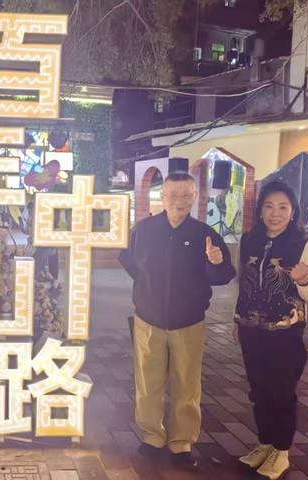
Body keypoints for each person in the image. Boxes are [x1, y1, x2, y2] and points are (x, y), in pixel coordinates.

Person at [118, 171, 236, 467]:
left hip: (189, 322)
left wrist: (216, 262)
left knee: (187, 384)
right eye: (172, 195)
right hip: (148, 319)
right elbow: (131, 263)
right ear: (162, 197)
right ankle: (152, 435)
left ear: (195, 197)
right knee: (148, 381)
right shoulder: (143, 230)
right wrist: (147, 292)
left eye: (185, 195)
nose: (178, 201)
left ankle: (181, 442)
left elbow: (223, 276)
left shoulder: (204, 234)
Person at [233, 180, 308, 479]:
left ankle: (281, 451)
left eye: (283, 207)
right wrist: (237, 320)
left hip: (285, 333)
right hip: (251, 330)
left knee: (281, 392)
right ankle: (266, 444)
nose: (275, 213)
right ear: (260, 210)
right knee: (259, 391)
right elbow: (243, 284)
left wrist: (304, 280)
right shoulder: (249, 240)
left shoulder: (304, 244)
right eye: (269, 206)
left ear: (293, 211)